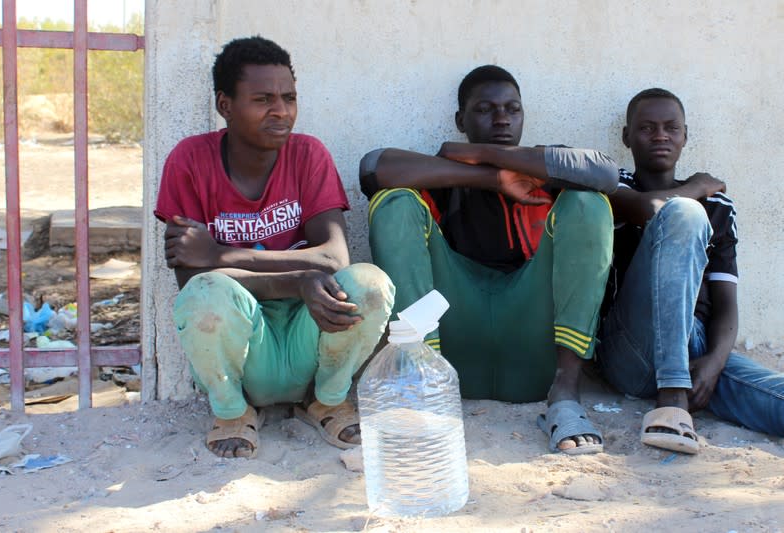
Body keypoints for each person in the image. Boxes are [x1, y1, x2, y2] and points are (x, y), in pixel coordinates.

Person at [359, 65, 619, 455]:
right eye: (485, 109)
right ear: (460, 120)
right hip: (453, 350)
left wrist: (486, 154)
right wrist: (489, 177)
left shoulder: (547, 168)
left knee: (589, 202)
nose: (501, 118)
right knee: (393, 201)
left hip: (533, 346)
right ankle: (419, 380)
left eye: (512, 109)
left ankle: (565, 395)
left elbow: (606, 172)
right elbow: (372, 167)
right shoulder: (440, 175)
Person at [155, 36, 394, 458]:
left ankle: (329, 401)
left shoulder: (309, 155)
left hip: (312, 333)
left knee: (369, 285)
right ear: (225, 105)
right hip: (247, 349)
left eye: (288, 97)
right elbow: (193, 280)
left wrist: (220, 255)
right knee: (207, 296)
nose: (280, 111)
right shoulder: (189, 161)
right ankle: (231, 412)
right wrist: (299, 277)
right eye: (263, 99)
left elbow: (334, 258)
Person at [598, 88, 784, 454]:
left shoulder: (717, 205)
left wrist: (713, 365)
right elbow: (643, 208)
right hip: (630, 350)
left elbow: (725, 302)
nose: (661, 136)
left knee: (773, 399)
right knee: (684, 213)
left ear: (686, 135)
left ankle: (680, 382)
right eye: (647, 128)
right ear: (626, 137)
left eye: (671, 128)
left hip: (693, 347)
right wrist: (694, 187)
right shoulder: (611, 185)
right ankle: (672, 400)